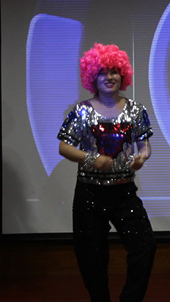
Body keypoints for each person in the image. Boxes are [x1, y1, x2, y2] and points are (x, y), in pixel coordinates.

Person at [58, 43, 156, 302]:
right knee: (92, 257)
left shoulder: (136, 110)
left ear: (123, 75)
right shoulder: (81, 111)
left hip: (124, 192)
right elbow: (64, 147)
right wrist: (91, 158)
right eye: (102, 72)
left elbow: (144, 145)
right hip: (89, 193)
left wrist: (142, 157)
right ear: (92, 77)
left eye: (114, 71)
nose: (109, 77)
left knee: (145, 246)